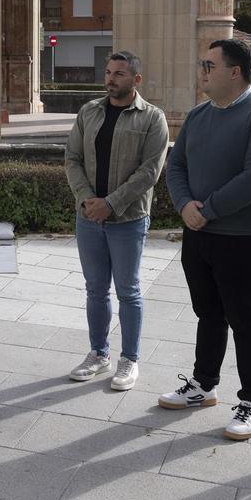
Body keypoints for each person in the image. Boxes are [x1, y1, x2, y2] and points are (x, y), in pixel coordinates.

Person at [161, 38, 251, 441]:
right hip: (198, 235)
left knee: (246, 321)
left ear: (235, 72)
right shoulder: (198, 116)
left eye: (209, 65)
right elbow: (175, 164)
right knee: (208, 314)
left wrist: (207, 209)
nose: (203, 72)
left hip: (243, 238)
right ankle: (203, 385)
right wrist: (184, 206)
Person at [64, 51, 169, 390]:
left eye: (119, 74)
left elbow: (150, 172)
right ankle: (98, 353)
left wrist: (110, 204)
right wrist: (87, 200)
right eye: (108, 72)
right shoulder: (89, 112)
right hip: (89, 218)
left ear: (136, 80)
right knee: (95, 290)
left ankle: (129, 360)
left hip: (128, 219)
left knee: (128, 291)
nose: (111, 79)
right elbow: (72, 159)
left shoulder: (153, 118)